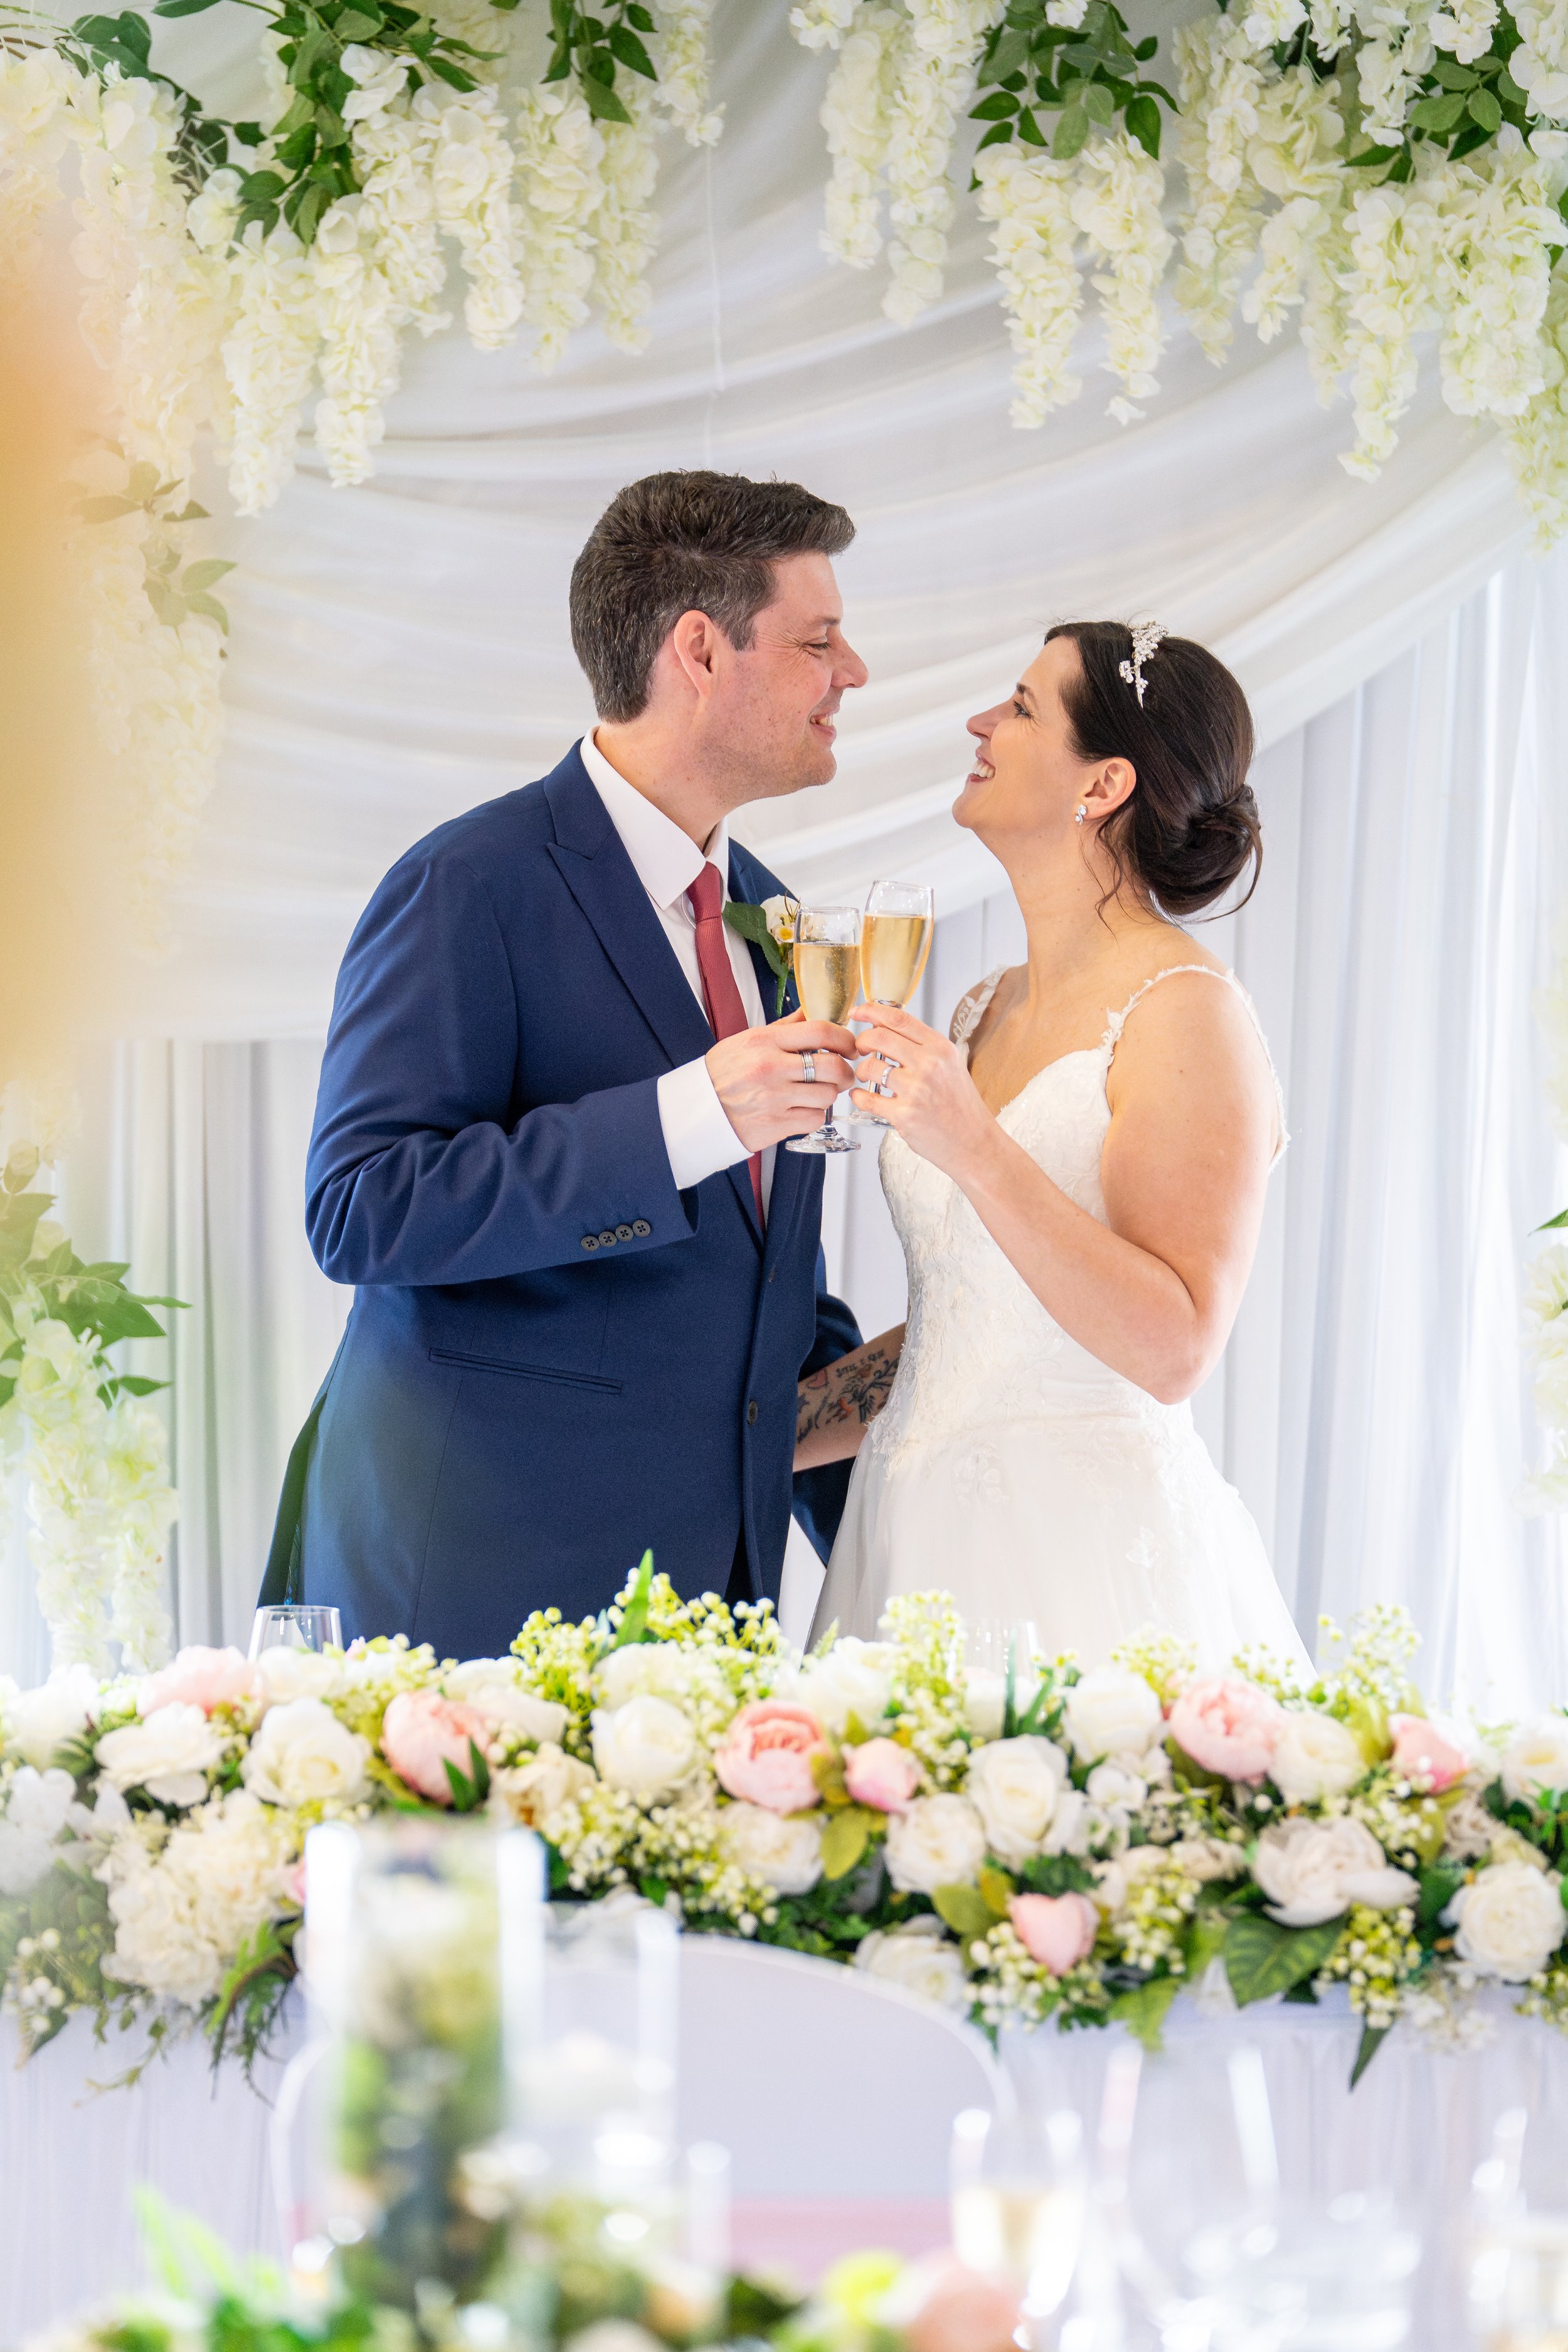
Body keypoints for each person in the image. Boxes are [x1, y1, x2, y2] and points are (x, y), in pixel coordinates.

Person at [263, 471, 867, 1657]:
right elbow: (361, 1211)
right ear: (700, 649)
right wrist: (688, 1116)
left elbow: (757, 1289)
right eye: (820, 640)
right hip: (476, 1596)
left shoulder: (774, 915)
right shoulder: (469, 883)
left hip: (706, 1613)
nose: (854, 673)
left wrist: (923, 1501)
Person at [803, 619, 1310, 1671]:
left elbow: (1173, 1345)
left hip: (1080, 1563)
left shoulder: (1186, 1013)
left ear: (1105, 783)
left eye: (1024, 706)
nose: (983, 721)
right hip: (903, 1540)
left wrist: (974, 1144)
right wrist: (772, 1427)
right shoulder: (988, 1004)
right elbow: (982, 1318)